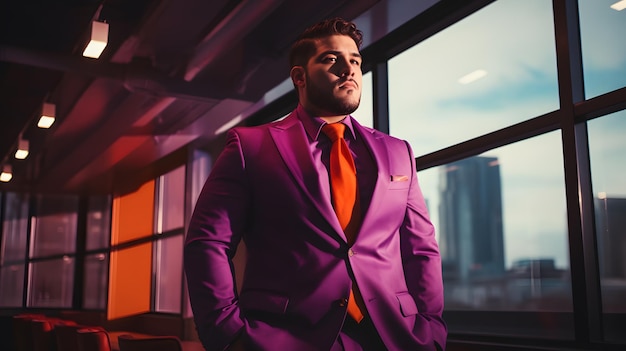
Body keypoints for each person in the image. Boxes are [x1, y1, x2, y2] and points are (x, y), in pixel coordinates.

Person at [184, 17, 447, 351]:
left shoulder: (398, 152)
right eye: (331, 59)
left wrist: (432, 327)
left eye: (354, 60)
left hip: (394, 337)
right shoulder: (250, 146)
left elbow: (420, 248)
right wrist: (227, 332)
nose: (348, 69)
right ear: (299, 76)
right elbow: (208, 243)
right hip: (284, 337)